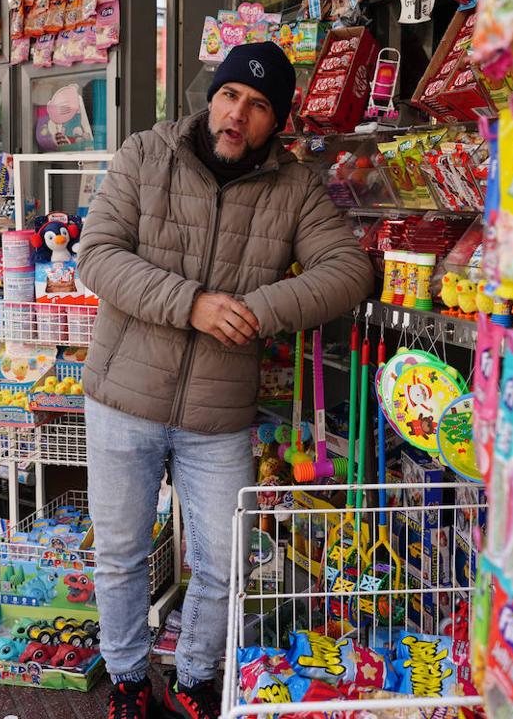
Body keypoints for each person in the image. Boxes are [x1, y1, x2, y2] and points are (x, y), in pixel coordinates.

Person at [77, 41, 374, 719]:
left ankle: (193, 680)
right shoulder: (145, 154)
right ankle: (126, 679)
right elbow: (98, 255)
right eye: (231, 95)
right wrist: (192, 304)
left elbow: (350, 271)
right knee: (121, 553)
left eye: (260, 105)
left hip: (218, 416)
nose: (238, 114)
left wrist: (257, 312)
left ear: (278, 122)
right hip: (124, 397)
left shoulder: (293, 187)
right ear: (211, 97)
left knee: (225, 562)